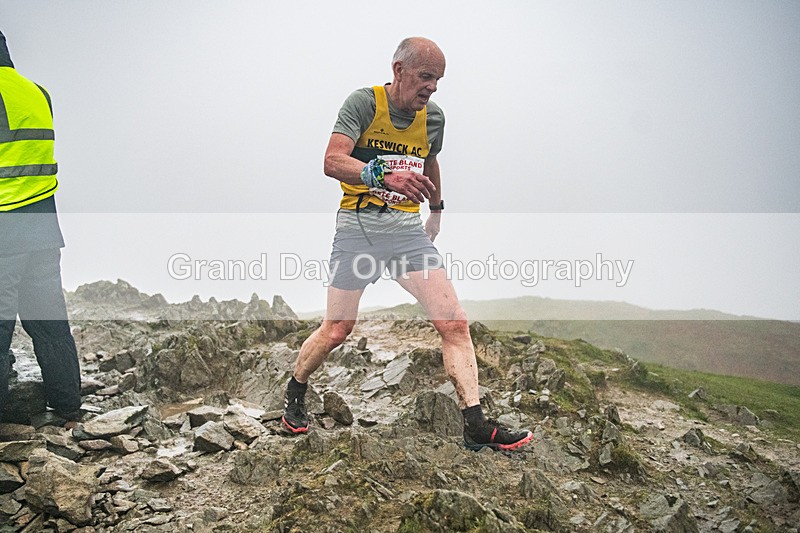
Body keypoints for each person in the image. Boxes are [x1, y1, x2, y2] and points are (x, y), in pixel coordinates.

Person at [281, 37, 533, 451]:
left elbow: (431, 158)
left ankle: (474, 423)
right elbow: (332, 161)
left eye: (438, 81)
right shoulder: (364, 103)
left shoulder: (433, 118)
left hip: (405, 233)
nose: (431, 88)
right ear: (399, 70)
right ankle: (295, 392)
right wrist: (381, 175)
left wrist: (437, 210)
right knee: (338, 328)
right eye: (425, 77)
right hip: (357, 229)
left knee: (453, 322)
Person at [0, 30, 82, 422]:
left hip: (4, 232)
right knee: (50, 325)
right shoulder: (37, 93)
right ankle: (66, 406)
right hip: (43, 229)